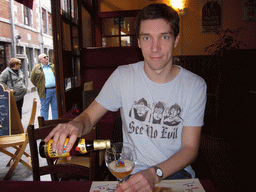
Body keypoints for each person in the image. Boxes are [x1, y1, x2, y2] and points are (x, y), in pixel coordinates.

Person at [45, 3, 207, 191]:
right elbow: (89, 117)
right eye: (147, 38)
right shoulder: (123, 76)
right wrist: (75, 124)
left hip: (173, 172)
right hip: (130, 170)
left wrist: (155, 174)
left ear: (176, 40)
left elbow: (190, 148)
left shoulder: (194, 85)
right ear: (138, 41)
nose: (155, 48)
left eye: (164, 37)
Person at [30, 53, 58, 120]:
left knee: (55, 108)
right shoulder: (36, 68)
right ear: (40, 60)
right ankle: (44, 124)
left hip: (55, 90)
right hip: (45, 91)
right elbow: (32, 79)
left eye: (47, 56)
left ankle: (55, 122)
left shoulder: (52, 66)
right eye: (44, 57)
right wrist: (40, 86)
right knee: (44, 108)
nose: (47, 58)